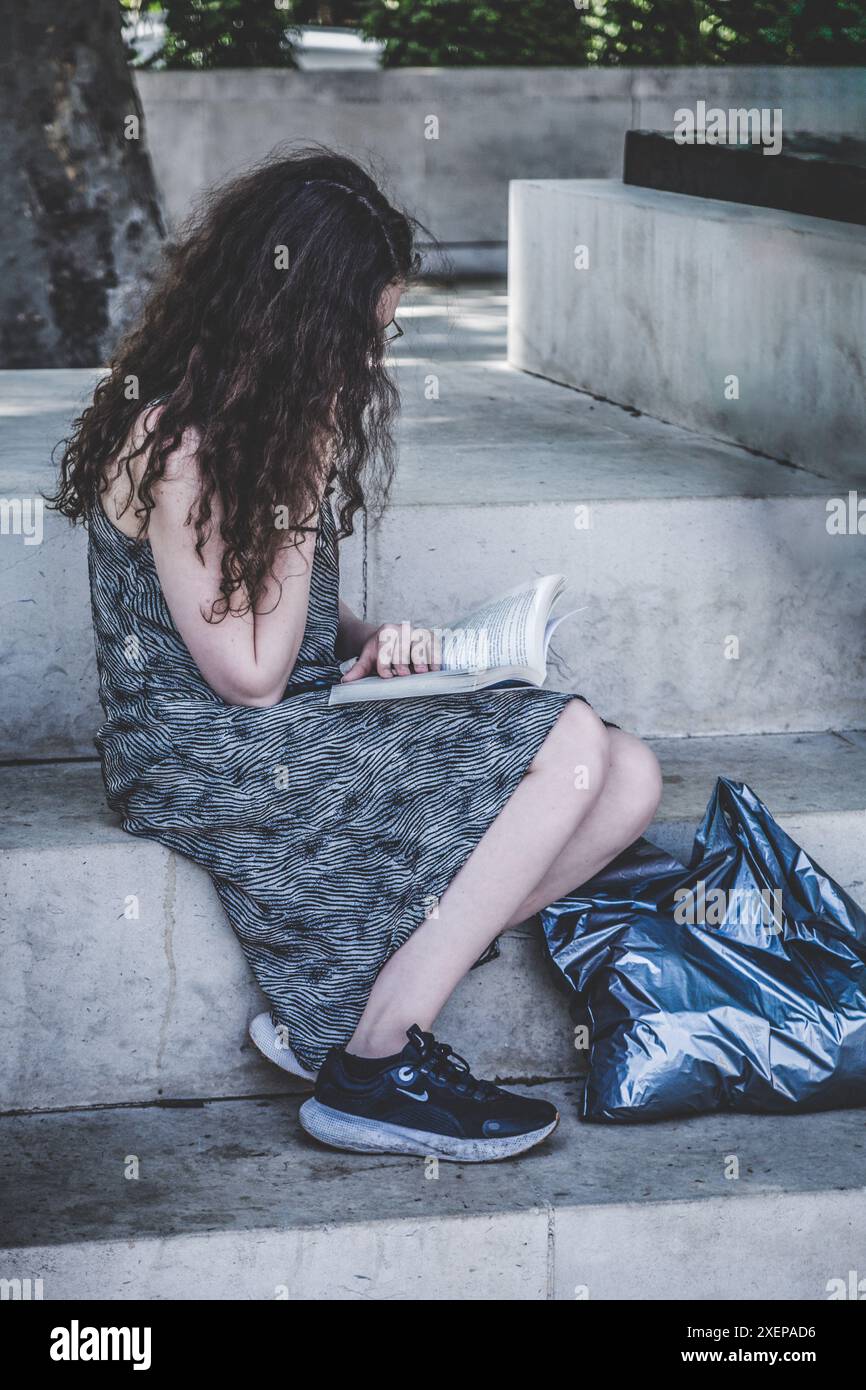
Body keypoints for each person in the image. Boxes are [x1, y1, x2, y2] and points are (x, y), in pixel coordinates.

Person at [53, 149, 662, 1163]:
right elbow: (242, 676)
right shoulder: (175, 443)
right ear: (302, 323)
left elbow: (269, 615)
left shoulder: (259, 425)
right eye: (359, 337)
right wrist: (297, 489)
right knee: (562, 741)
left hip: (285, 713)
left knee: (627, 772)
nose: (364, 366)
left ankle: (341, 1018)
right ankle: (378, 1063)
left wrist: (372, 641)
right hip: (197, 751)